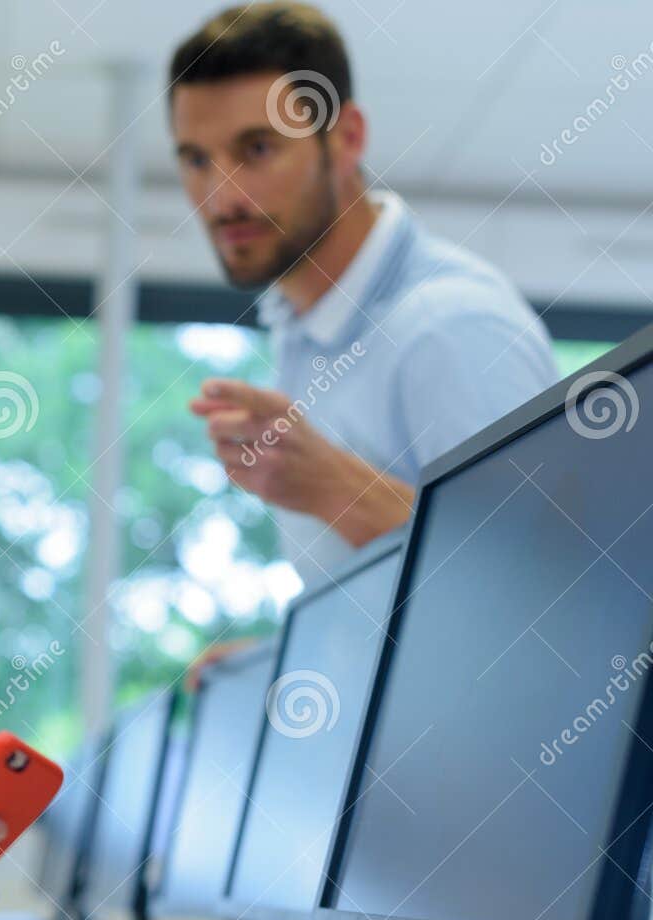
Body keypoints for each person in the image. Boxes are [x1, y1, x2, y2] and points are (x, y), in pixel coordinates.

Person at [169, 2, 557, 596]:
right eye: (197, 160)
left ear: (345, 139)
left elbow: (546, 591)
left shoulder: (448, 325)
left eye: (257, 149)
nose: (221, 198)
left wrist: (336, 488)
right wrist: (287, 652)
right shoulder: (301, 326)